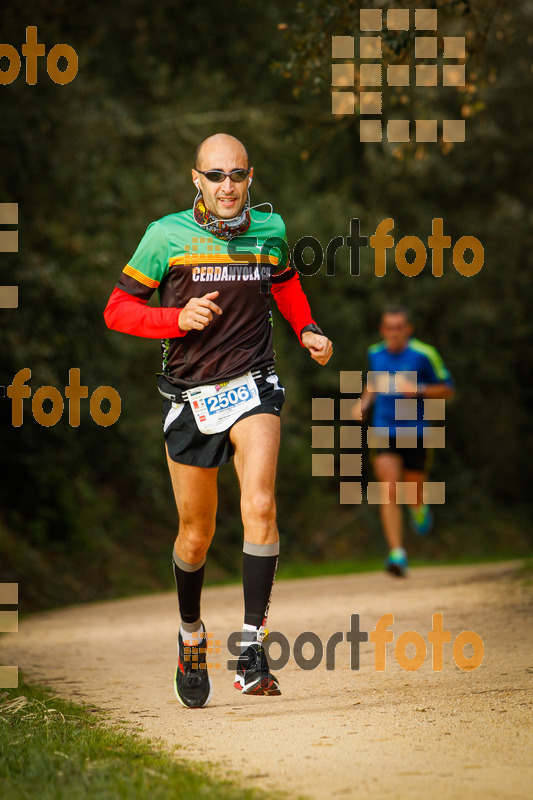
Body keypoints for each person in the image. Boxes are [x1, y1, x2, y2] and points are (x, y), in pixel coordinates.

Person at [104, 133, 332, 707]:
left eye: (237, 175)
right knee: (195, 535)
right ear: (196, 179)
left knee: (258, 505)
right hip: (189, 397)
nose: (227, 186)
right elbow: (117, 310)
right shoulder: (166, 236)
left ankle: (252, 651)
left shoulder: (271, 232)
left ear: (250, 177)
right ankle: (190, 635)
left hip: (254, 383)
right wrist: (176, 317)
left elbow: (285, 285)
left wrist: (305, 328)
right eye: (216, 176)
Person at [353, 307, 454, 577]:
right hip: (384, 427)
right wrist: (363, 403)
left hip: (416, 431)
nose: (394, 332)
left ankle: (419, 510)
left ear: (408, 329)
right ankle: (397, 554)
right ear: (382, 330)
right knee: (388, 488)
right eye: (389, 327)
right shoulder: (375, 353)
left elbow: (448, 390)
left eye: (399, 327)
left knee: (413, 491)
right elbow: (373, 383)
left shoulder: (424, 354)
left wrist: (420, 390)